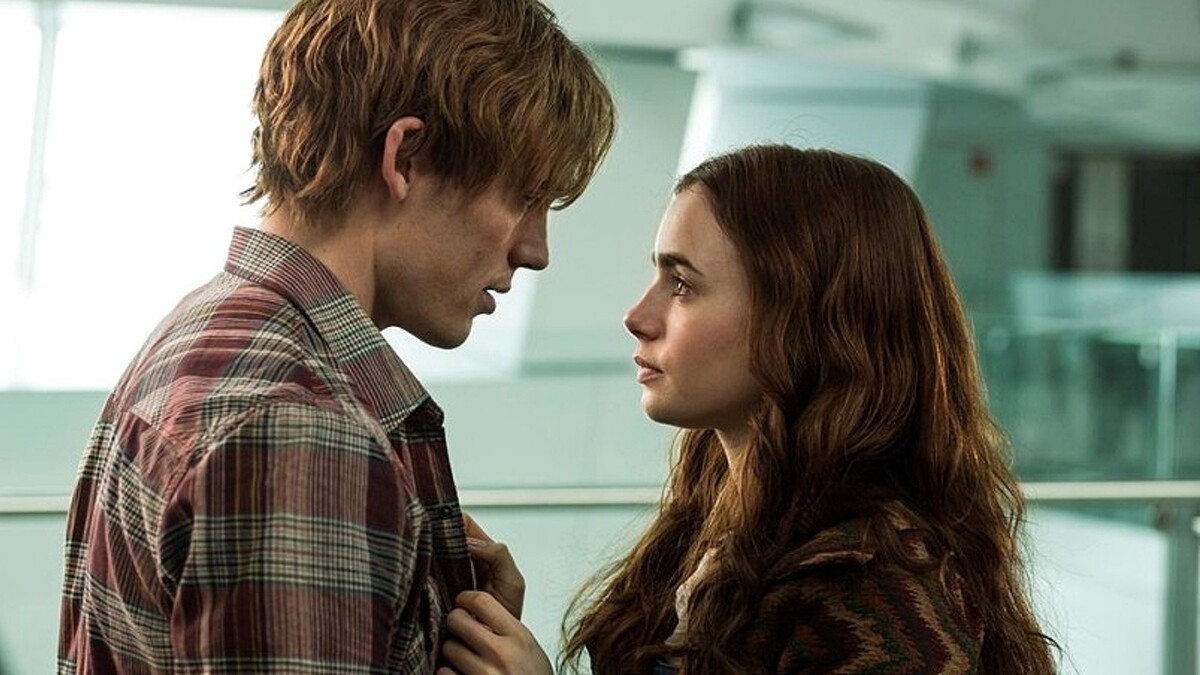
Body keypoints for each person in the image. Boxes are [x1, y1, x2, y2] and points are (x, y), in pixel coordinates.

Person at [57, 0, 614, 672]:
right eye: (524, 197)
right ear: (405, 157)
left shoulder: (201, 329)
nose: (535, 250)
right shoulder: (299, 426)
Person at [437, 145, 1058, 674]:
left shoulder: (879, 585)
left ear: (802, 320)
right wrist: (494, 634)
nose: (637, 316)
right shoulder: (712, 527)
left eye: (682, 285)